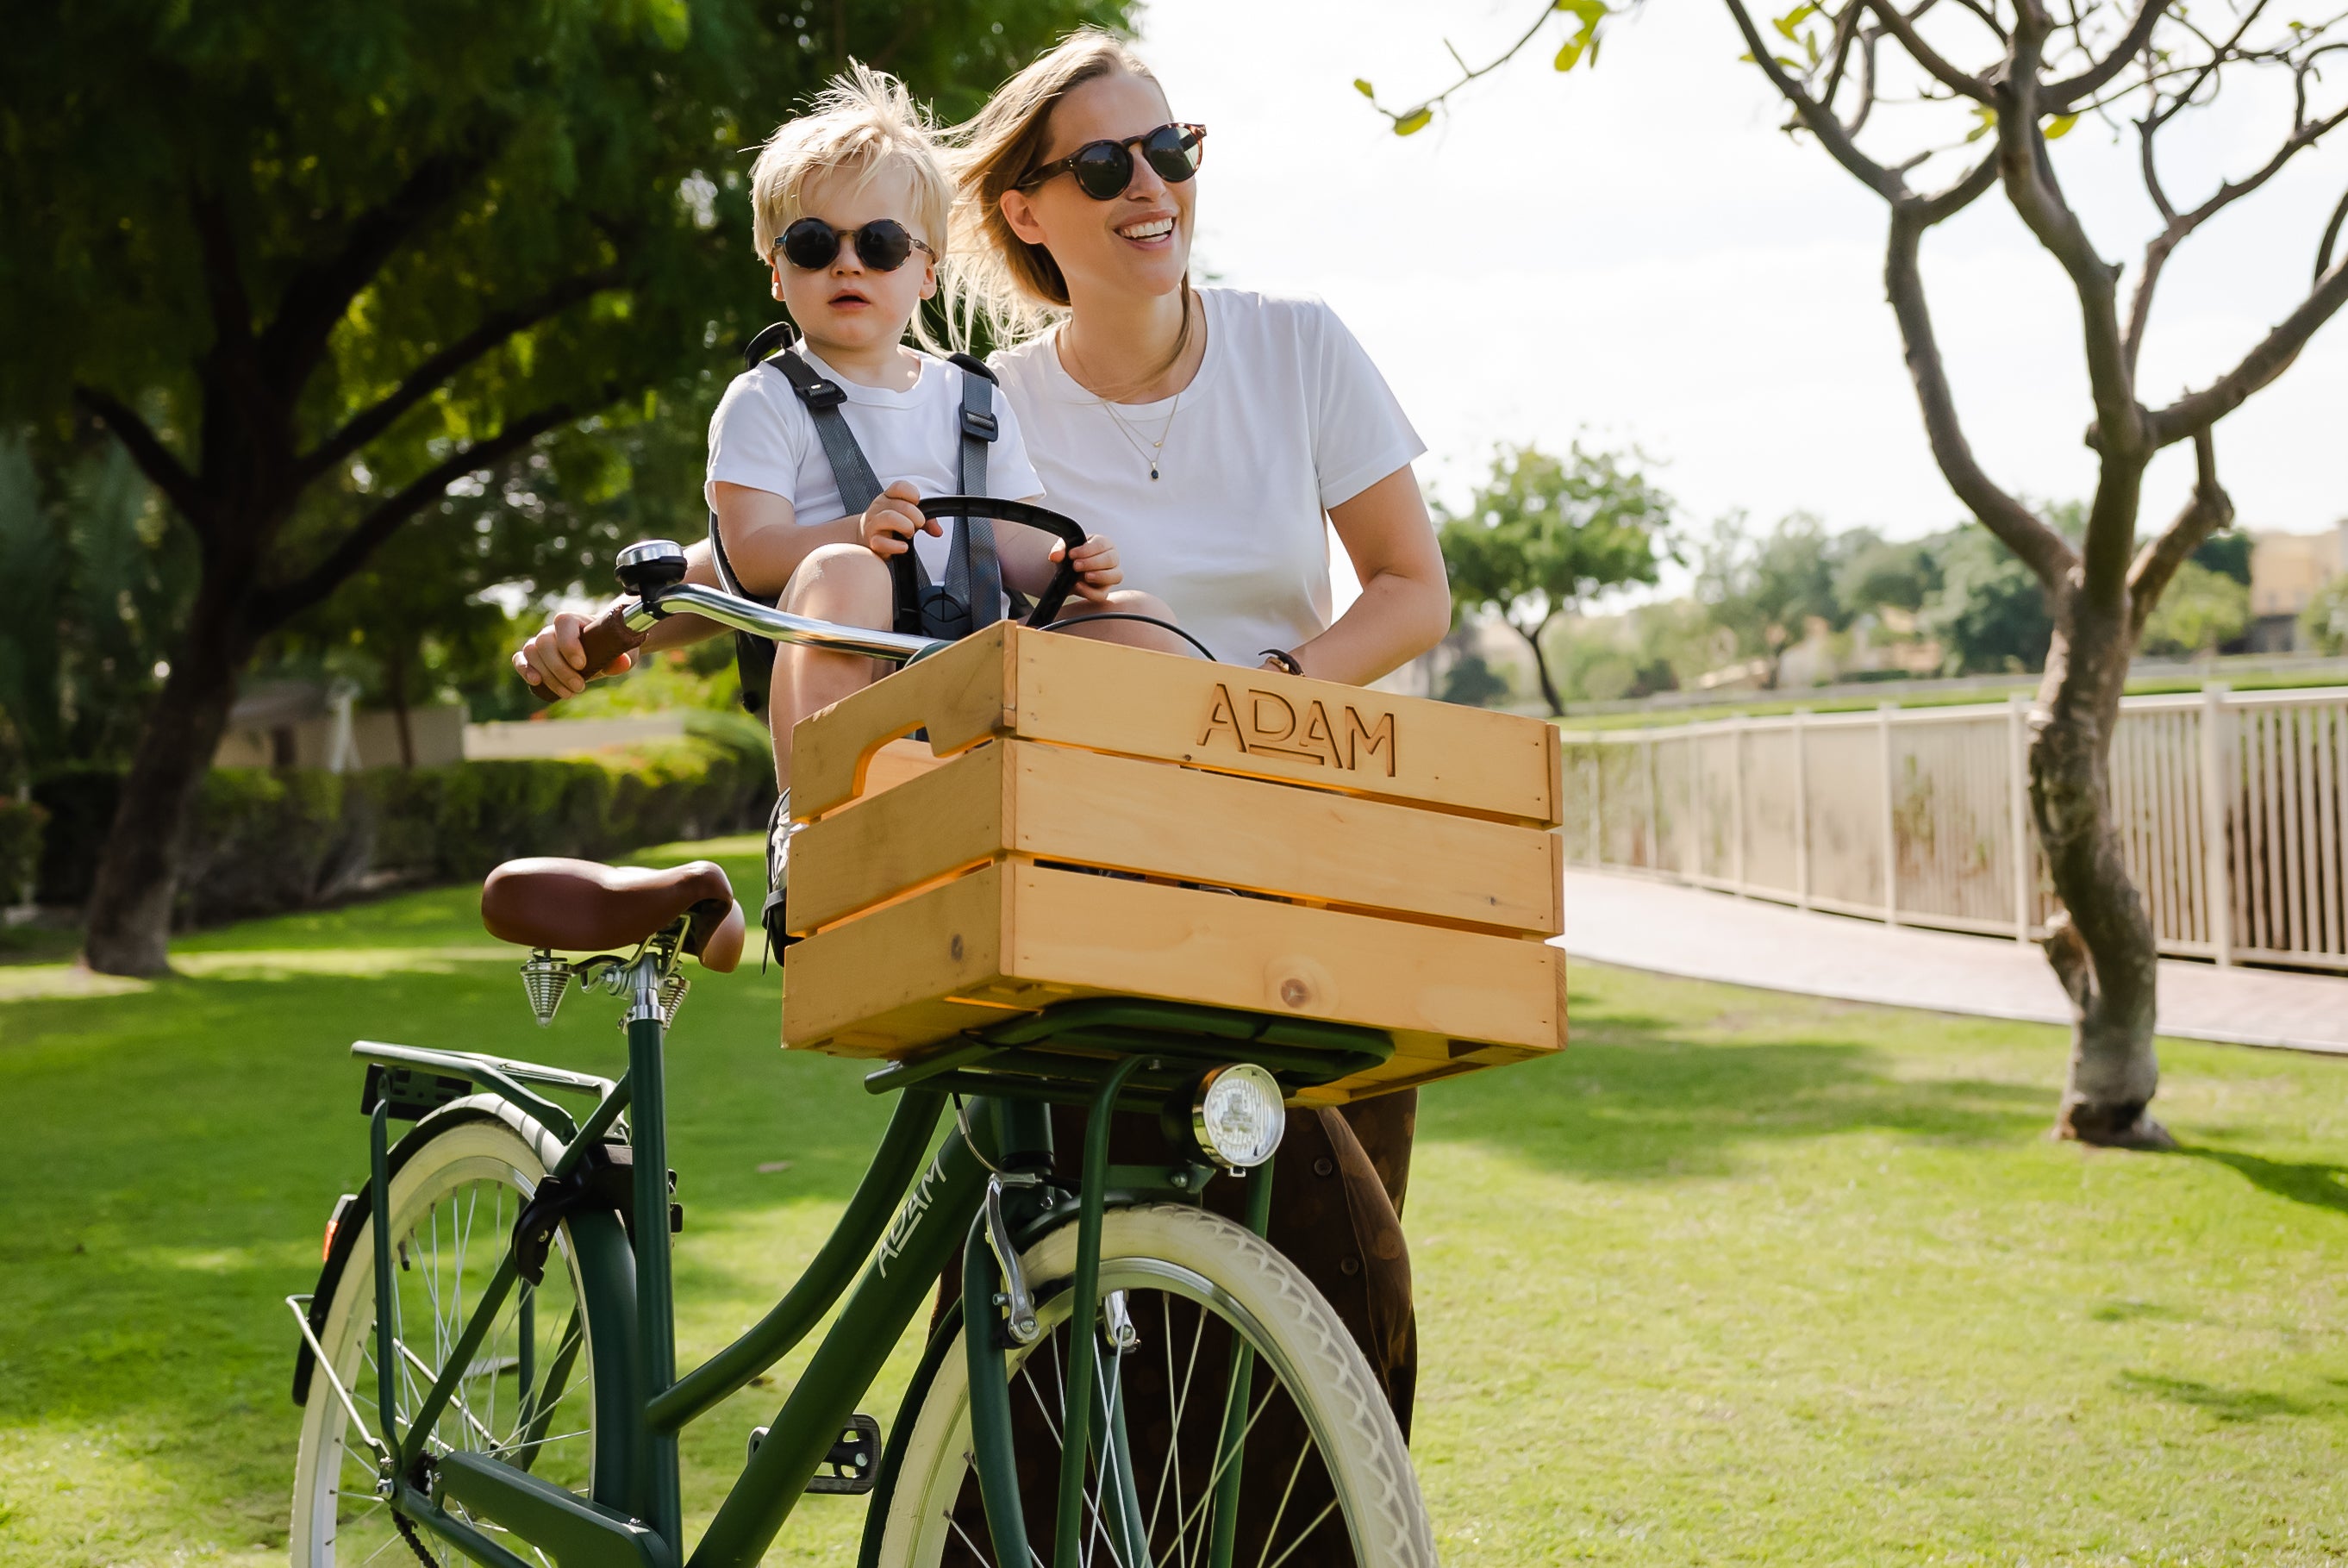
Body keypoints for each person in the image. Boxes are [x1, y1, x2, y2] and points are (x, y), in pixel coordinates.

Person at [943, 29, 1451, 1434]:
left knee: (1338, 1283)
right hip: (1104, 885)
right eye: (1102, 162)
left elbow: (1410, 589)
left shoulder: (1298, 345)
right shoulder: (988, 406)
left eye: (1169, 148)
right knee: (1080, 1287)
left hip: (1323, 867)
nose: (1148, 184)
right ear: (1026, 211)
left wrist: (1260, 699)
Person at [511, 64, 1185, 943]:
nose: (846, 263)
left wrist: (1068, 564)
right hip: (853, 658)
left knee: (1139, 617)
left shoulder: (972, 397)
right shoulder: (764, 400)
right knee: (842, 573)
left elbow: (1010, 542)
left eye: (880, 244)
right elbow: (750, 554)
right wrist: (853, 532)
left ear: (928, 273)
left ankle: (1141, 847)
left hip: (972, 668)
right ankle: (819, 831)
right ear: (775, 273)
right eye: (811, 245)